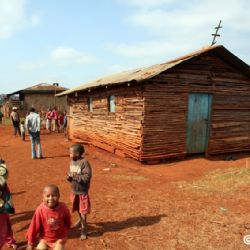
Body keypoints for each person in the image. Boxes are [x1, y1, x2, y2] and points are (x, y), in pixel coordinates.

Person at [26, 185, 71, 250]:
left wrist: (66, 231)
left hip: (59, 238)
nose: (51, 198)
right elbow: (34, 227)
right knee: (40, 248)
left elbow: (68, 221)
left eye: (54, 196)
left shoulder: (63, 208)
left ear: (59, 196)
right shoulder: (40, 209)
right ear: (43, 198)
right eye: (47, 196)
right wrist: (30, 243)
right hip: (45, 239)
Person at [67, 144, 92, 240]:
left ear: (77, 153)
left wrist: (74, 176)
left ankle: (84, 229)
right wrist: (69, 177)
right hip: (74, 190)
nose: (69, 155)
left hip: (82, 192)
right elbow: (71, 174)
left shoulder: (84, 163)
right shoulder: (72, 162)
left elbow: (86, 177)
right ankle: (81, 220)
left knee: (83, 211)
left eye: (70, 153)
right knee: (77, 207)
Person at [0, 160, 18, 249]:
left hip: (3, 205)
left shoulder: (2, 168)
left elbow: (4, 174)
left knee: (6, 224)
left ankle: (10, 240)